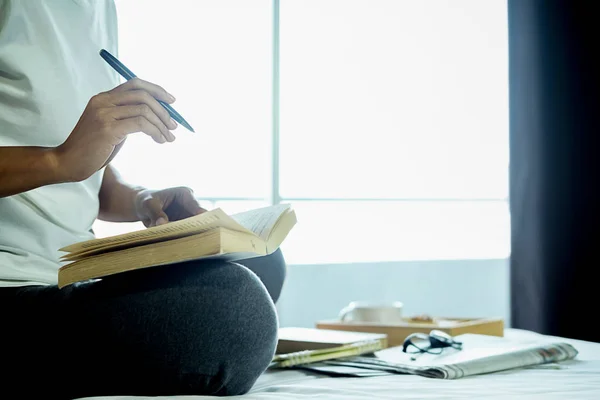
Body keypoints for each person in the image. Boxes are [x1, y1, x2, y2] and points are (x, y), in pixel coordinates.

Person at [0, 1, 286, 398]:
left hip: (66, 274)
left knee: (262, 260)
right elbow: (65, 160)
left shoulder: (99, 9)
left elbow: (87, 177)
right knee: (235, 312)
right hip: (10, 286)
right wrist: (58, 160)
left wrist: (141, 200)